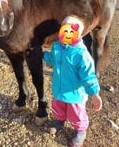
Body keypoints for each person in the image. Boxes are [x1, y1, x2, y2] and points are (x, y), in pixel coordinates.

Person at [43, 15, 102, 147]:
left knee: (76, 113)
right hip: (59, 89)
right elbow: (52, 58)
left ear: (79, 34)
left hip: (75, 94)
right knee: (58, 107)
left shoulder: (81, 54)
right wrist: (41, 55)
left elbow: (88, 76)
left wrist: (94, 94)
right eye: (64, 28)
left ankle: (80, 131)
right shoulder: (56, 46)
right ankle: (59, 121)